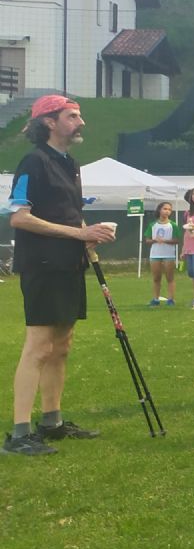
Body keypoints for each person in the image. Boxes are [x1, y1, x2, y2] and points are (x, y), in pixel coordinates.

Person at [4, 96, 115, 457]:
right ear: (50, 122)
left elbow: (69, 212)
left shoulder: (70, 163)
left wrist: (88, 236)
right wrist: (78, 234)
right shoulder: (33, 162)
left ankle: (51, 421)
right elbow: (19, 217)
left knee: (62, 345)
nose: (81, 122)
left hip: (69, 263)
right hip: (42, 265)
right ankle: (19, 434)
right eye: (72, 116)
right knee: (38, 347)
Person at [146, 202, 179, 307]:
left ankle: (171, 299)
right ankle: (155, 299)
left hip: (169, 254)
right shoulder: (152, 225)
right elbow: (147, 240)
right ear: (159, 210)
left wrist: (165, 241)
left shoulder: (173, 225)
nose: (167, 211)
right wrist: (155, 240)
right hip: (155, 254)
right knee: (156, 278)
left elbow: (176, 240)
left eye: (169, 209)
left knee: (170, 278)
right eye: (165, 209)